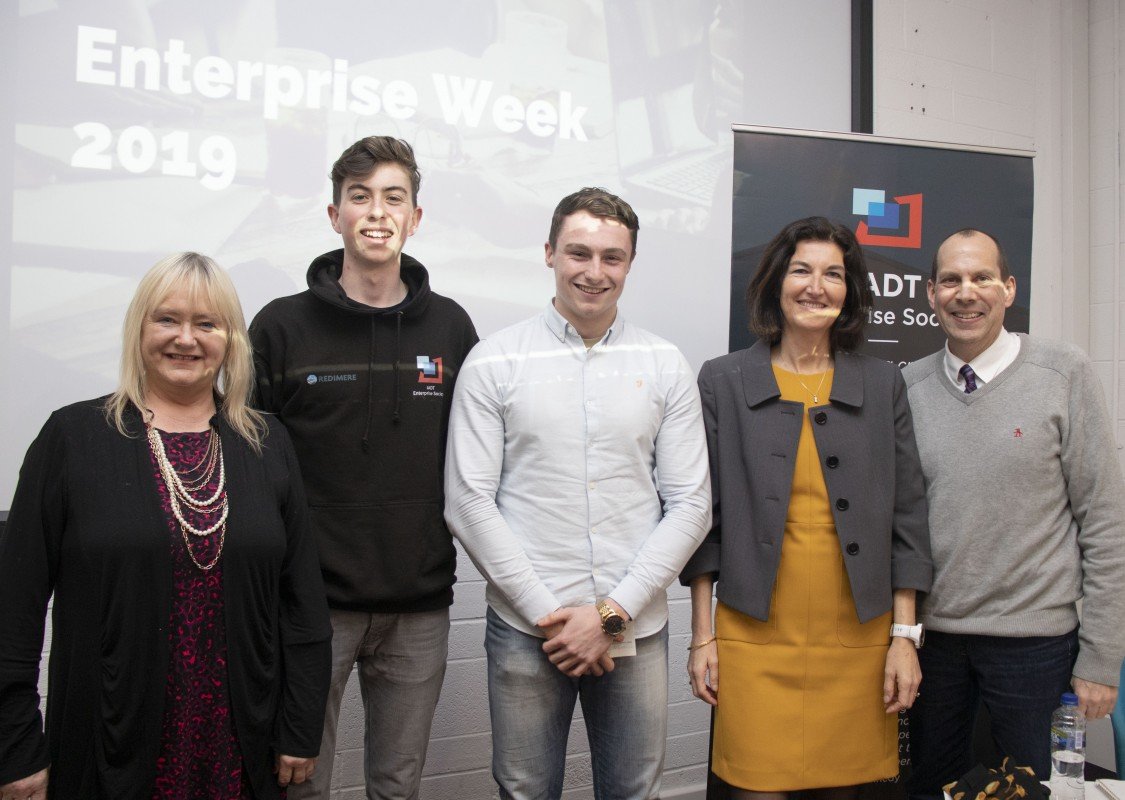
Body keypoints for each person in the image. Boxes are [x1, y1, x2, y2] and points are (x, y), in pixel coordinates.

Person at [0, 252, 332, 800]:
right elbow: (14, 607)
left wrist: (299, 726)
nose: (186, 339)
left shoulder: (267, 444)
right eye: (167, 319)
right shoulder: (72, 438)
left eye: (208, 323)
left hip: (240, 741)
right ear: (139, 328)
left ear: (231, 339)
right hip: (108, 735)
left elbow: (302, 602)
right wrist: (14, 745)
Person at [444, 187, 712, 800]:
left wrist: (610, 615)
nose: (595, 273)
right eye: (579, 253)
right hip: (525, 628)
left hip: (634, 631)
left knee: (634, 791)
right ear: (549, 254)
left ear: (630, 263)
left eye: (612, 257)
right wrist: (556, 618)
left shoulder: (665, 363)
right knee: (524, 790)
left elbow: (692, 504)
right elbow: (467, 502)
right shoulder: (494, 361)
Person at [249, 136, 478, 800]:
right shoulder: (279, 328)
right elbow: (248, 463)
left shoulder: (451, 329)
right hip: (309, 608)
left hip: (419, 608)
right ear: (334, 215)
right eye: (360, 197)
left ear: (415, 217)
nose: (376, 213)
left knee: (396, 786)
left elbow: (475, 464)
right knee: (298, 783)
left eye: (393, 198)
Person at [680, 217, 933, 798]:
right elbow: (704, 520)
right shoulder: (724, 379)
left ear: (849, 293)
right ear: (776, 282)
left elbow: (908, 519)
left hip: (858, 644)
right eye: (801, 270)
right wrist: (702, 638)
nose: (816, 286)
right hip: (753, 636)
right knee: (753, 787)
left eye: (833, 274)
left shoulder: (880, 383)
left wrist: (904, 637)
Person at [903, 229, 1125, 797]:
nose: (965, 292)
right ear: (930, 293)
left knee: (1039, 789)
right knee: (933, 788)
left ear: (1008, 288)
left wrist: (1101, 658)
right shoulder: (908, 387)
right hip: (937, 648)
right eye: (950, 279)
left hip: (1038, 648)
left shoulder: (1063, 373)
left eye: (981, 277)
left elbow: (1105, 521)